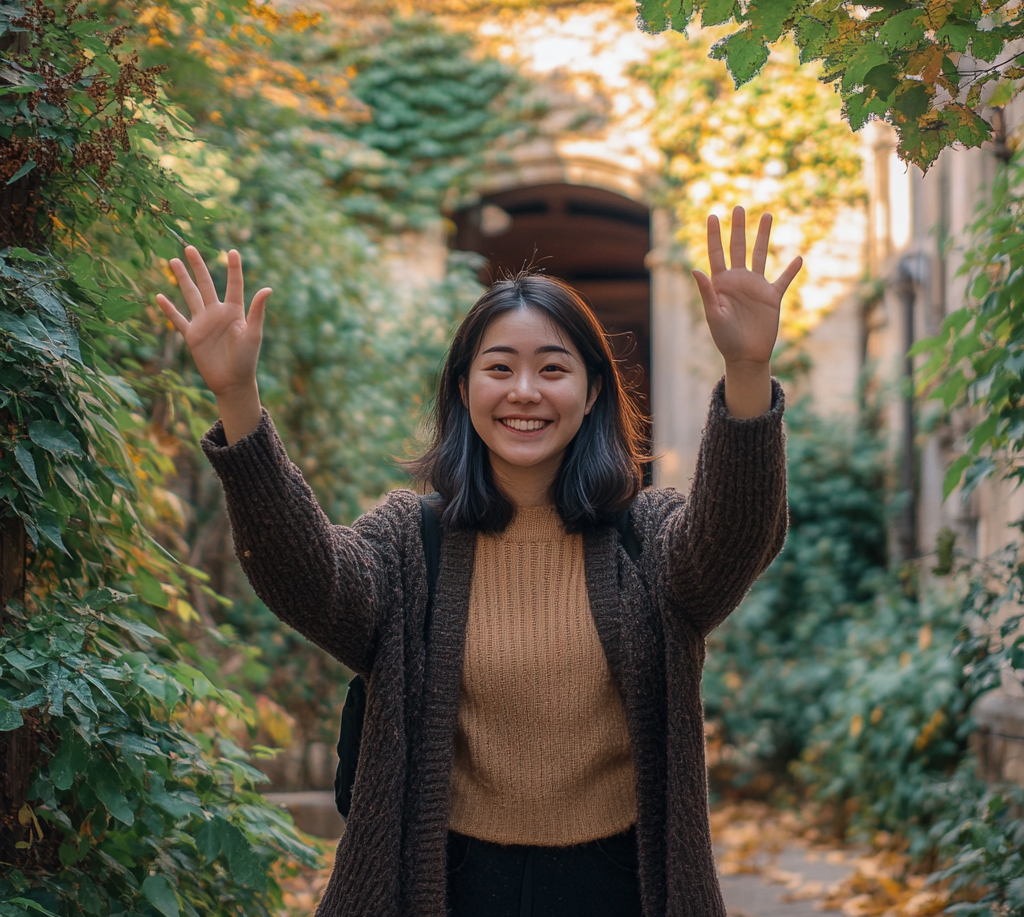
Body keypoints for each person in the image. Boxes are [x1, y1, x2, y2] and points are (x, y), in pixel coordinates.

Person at [156, 206, 801, 917]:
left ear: (590, 394)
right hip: (449, 882)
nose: (524, 392)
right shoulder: (409, 543)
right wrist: (237, 397)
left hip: (621, 883)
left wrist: (747, 368)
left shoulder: (646, 539)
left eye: (552, 369)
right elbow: (308, 580)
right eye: (500, 368)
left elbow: (735, 539)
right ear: (465, 390)